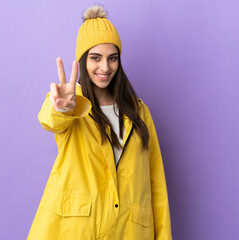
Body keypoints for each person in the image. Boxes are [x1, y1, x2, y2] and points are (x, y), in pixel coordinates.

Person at [28, 5, 172, 240]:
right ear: (84, 61)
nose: (105, 67)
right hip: (77, 232)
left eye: (112, 58)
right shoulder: (74, 106)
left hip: (130, 231)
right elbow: (49, 120)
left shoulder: (140, 112)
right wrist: (62, 107)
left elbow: (157, 184)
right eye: (96, 58)